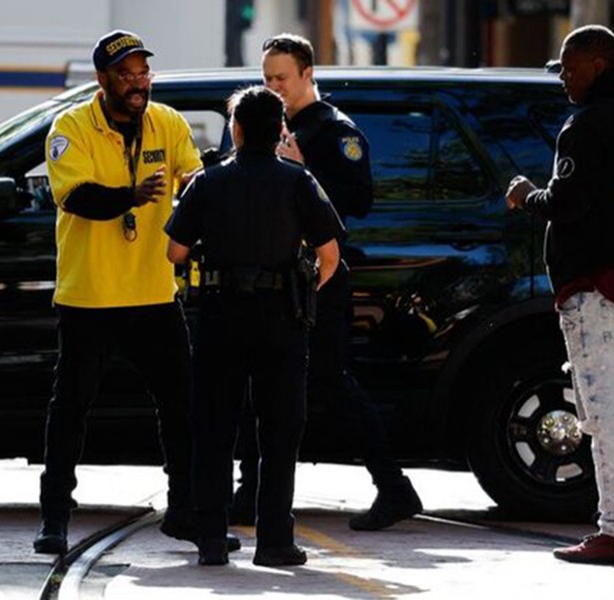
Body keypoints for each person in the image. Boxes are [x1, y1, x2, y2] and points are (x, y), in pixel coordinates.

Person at [34, 30, 238, 555]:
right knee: (71, 408)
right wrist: (133, 194)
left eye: (142, 73)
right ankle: (55, 515)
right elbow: (78, 199)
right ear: (102, 80)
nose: (137, 83)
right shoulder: (71, 127)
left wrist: (214, 187)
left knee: (181, 405)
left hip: (153, 293)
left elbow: (191, 184)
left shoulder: (167, 123)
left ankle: (185, 509)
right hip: (90, 297)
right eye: (125, 75)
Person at [225, 32, 423, 533]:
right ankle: (251, 491)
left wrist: (303, 170)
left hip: (319, 276)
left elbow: (358, 201)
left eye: (282, 79)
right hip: (268, 274)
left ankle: (394, 488)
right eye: (266, 78)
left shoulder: (335, 132)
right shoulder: (265, 123)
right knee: (257, 383)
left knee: (332, 383)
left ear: (308, 75)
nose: (273, 87)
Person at [505, 24, 614, 566]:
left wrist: (525, 196)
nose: (562, 76)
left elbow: (569, 201)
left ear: (598, 63)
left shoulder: (586, 126)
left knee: (606, 416)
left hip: (601, 288)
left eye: (569, 65)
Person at [166, 85, 343, 566]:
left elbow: (174, 253)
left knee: (214, 426)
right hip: (282, 318)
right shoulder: (299, 181)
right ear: (279, 130)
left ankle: (210, 539)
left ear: (236, 130)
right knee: (280, 429)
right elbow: (329, 256)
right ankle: (275, 542)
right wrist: (300, 290)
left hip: (221, 315)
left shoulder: (207, 182)